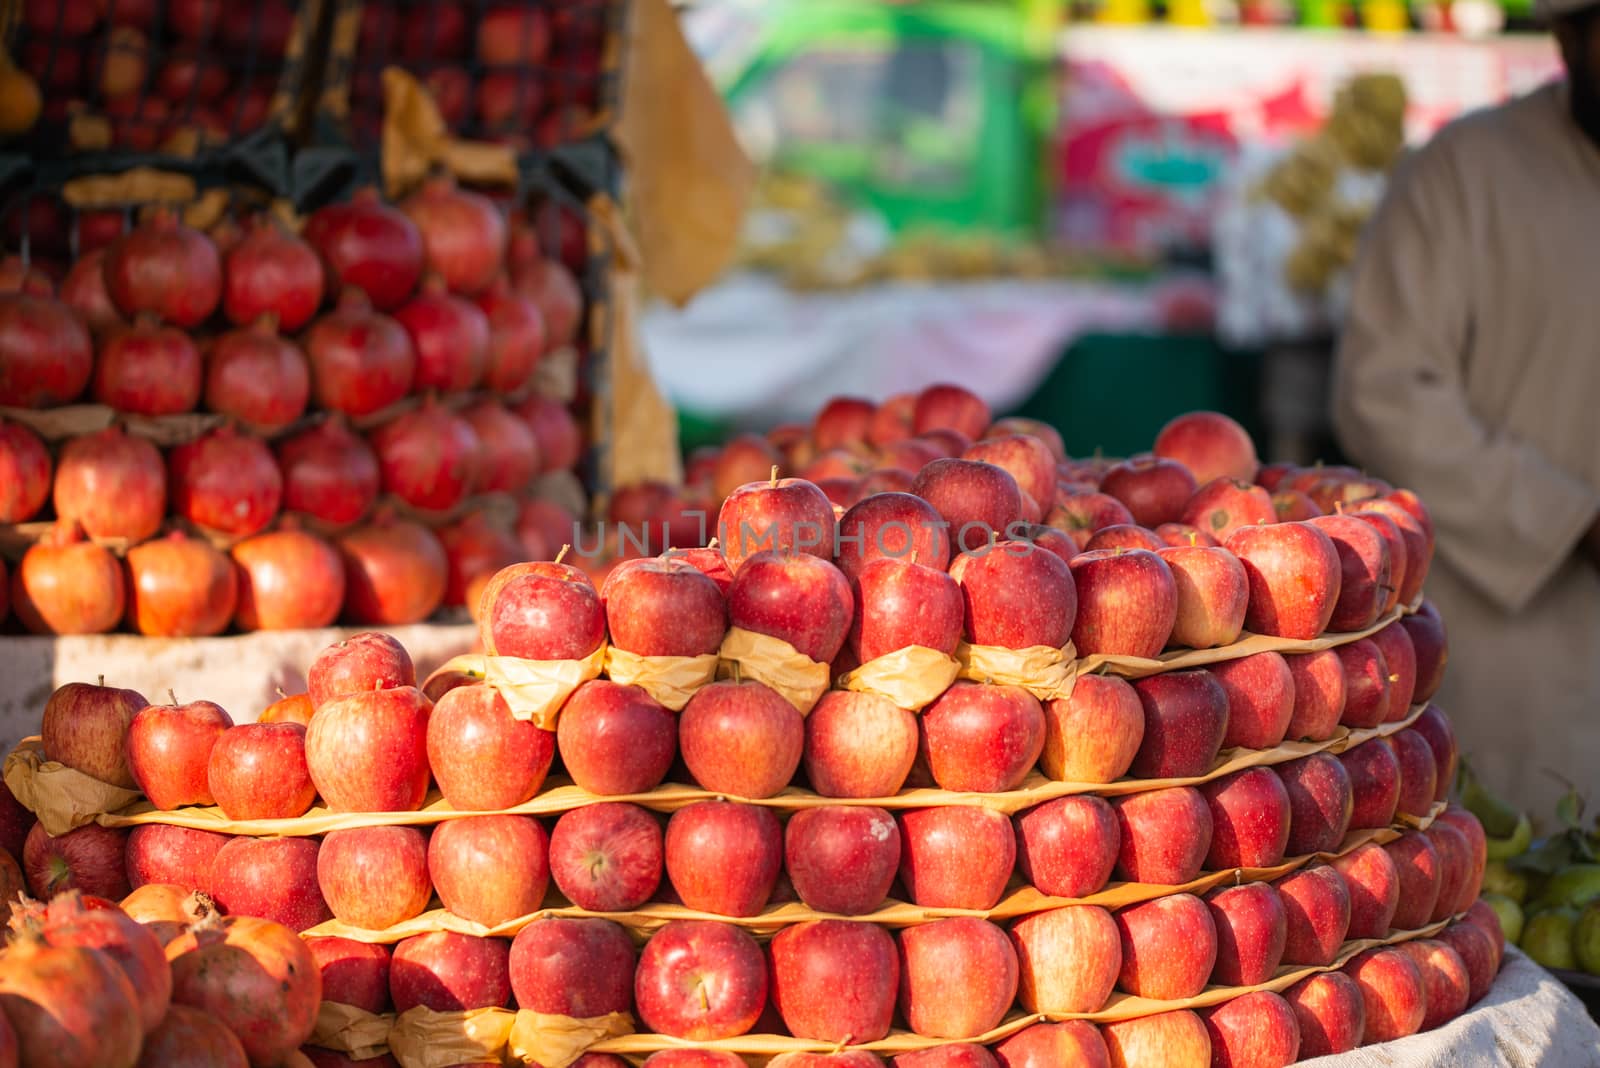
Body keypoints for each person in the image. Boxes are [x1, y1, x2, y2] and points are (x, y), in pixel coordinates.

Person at [1332, 0, 1600, 820]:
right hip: (1516, 644)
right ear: (1569, 34)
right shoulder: (1463, 171)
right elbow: (1383, 390)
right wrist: (1571, 518)